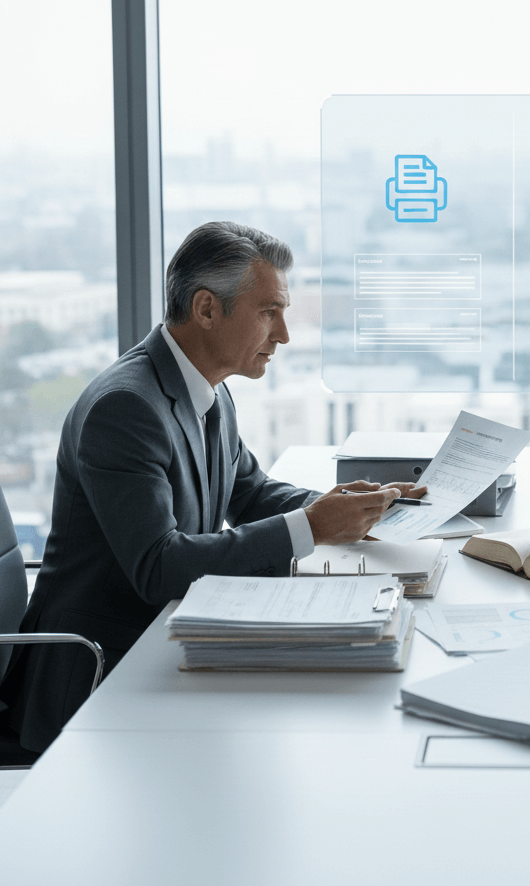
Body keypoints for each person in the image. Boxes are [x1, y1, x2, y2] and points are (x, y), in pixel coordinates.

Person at [1, 221, 424, 753]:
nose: (284, 334)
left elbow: (249, 493)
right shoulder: (125, 408)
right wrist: (312, 527)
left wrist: (347, 508)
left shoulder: (207, 389)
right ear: (206, 309)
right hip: (97, 671)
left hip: (165, 642)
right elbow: (158, 566)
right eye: (268, 312)